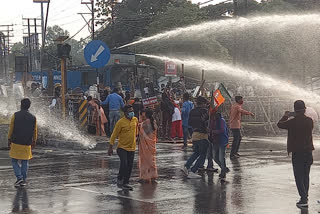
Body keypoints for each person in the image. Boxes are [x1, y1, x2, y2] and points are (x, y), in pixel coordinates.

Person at [277, 100, 314, 208]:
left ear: (295, 110)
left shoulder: (291, 122)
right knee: (306, 175)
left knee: (298, 176)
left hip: (297, 153)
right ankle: (305, 196)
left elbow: (279, 124)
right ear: (304, 109)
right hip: (308, 152)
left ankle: (303, 199)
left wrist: (285, 116)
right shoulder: (309, 121)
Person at [8, 98, 37, 187]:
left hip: (16, 142)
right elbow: (35, 131)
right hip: (27, 143)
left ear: (21, 105)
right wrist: (34, 141)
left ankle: (19, 178)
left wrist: (9, 139)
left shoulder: (15, 115)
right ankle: (23, 179)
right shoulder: (33, 117)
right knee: (25, 161)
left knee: (14, 161)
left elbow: (11, 129)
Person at [108, 105, 138, 190]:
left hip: (132, 147)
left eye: (132, 110)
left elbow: (136, 131)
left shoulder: (135, 120)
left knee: (129, 166)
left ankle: (125, 182)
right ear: (125, 113)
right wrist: (110, 146)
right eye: (129, 111)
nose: (132, 112)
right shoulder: (120, 122)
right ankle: (120, 178)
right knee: (124, 164)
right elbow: (114, 134)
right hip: (122, 148)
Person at [182, 96, 209, 179]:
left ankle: (187, 166)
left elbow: (189, 122)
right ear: (203, 103)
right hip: (203, 134)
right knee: (203, 154)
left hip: (194, 134)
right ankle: (193, 171)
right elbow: (207, 122)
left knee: (196, 152)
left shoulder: (192, 111)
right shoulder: (204, 111)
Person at [138, 109, 158, 183]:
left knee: (145, 161)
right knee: (152, 160)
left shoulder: (145, 123)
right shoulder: (153, 121)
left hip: (145, 145)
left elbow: (141, 131)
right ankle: (153, 175)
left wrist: (140, 123)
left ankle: (145, 176)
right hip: (152, 144)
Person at [211, 112, 229, 180]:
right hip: (215, 141)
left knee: (221, 157)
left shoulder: (221, 120)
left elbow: (222, 130)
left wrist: (214, 131)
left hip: (222, 141)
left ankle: (223, 173)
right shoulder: (212, 121)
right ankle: (224, 168)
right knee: (215, 157)